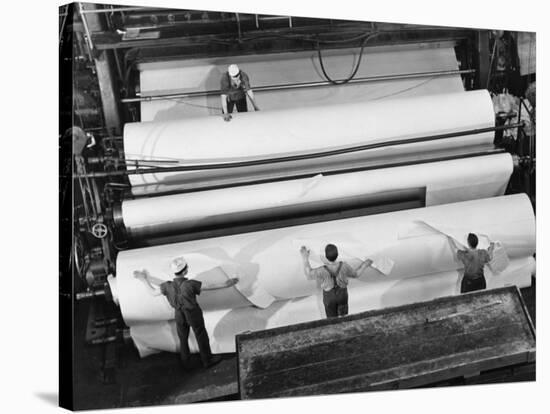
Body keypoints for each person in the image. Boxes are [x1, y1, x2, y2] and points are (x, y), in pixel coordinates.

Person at [134, 257, 238, 369]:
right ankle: (207, 360)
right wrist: (227, 284)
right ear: (184, 271)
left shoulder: (167, 286)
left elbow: (153, 292)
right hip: (193, 313)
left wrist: (144, 279)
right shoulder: (191, 284)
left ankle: (186, 364)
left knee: (183, 338)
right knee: (200, 335)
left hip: (178, 314)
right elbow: (209, 287)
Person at [300, 244, 373, 318]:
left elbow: (309, 274)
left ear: (326, 256)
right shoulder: (344, 266)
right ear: (337, 255)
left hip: (329, 298)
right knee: (344, 318)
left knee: (332, 320)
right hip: (342, 296)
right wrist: (365, 265)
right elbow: (356, 274)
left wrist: (305, 257)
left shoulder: (321, 270)